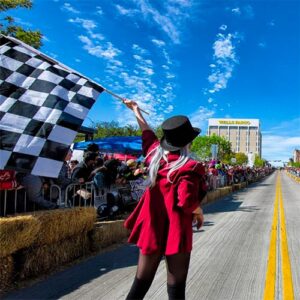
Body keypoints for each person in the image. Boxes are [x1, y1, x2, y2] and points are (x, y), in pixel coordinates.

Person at [123, 99, 207, 300]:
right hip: (175, 231)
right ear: (188, 142)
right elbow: (185, 200)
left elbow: (146, 132)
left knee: (140, 284)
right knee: (176, 287)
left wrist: (135, 110)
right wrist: (199, 211)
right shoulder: (190, 167)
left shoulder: (154, 157)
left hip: (152, 227)